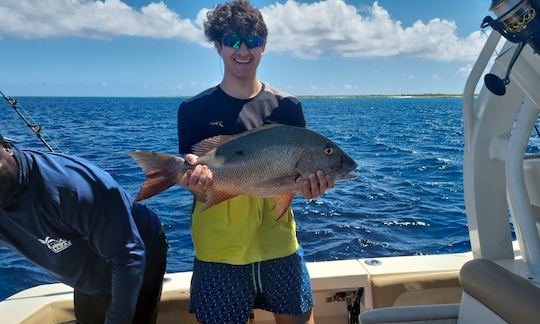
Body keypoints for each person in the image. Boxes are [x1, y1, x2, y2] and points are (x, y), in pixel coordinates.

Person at [177, 1, 334, 323]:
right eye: (234, 41)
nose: (243, 50)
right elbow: (198, 189)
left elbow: (293, 183)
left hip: (278, 243)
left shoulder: (287, 107)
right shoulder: (194, 110)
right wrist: (191, 182)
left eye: (253, 41)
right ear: (219, 46)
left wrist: (312, 188)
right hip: (218, 248)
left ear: (264, 46)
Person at [0, 134, 168, 324]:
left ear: (7, 147)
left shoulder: (70, 187)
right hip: (87, 267)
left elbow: (127, 255)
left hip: (136, 251)